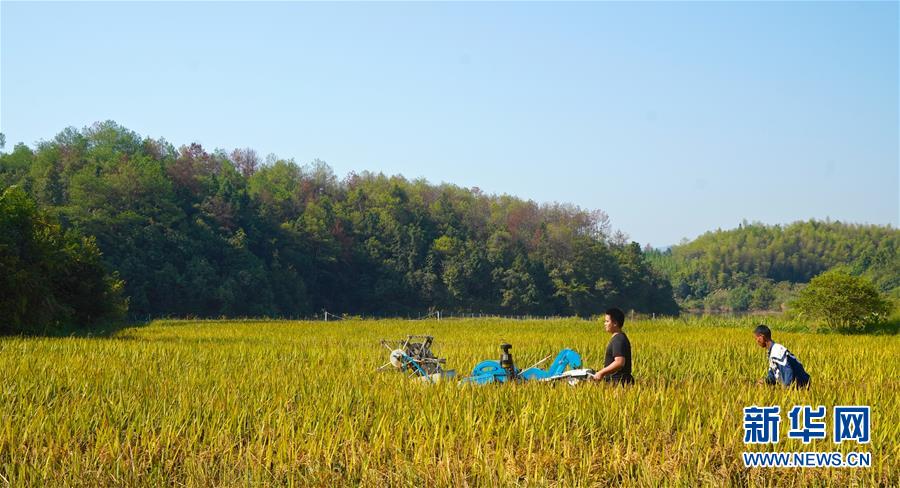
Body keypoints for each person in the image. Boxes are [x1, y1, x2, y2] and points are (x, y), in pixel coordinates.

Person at [591, 307, 634, 385]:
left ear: (615, 323)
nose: (605, 324)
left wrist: (601, 373)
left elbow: (619, 362)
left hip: (618, 383)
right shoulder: (619, 338)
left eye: (607, 321)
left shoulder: (618, 339)